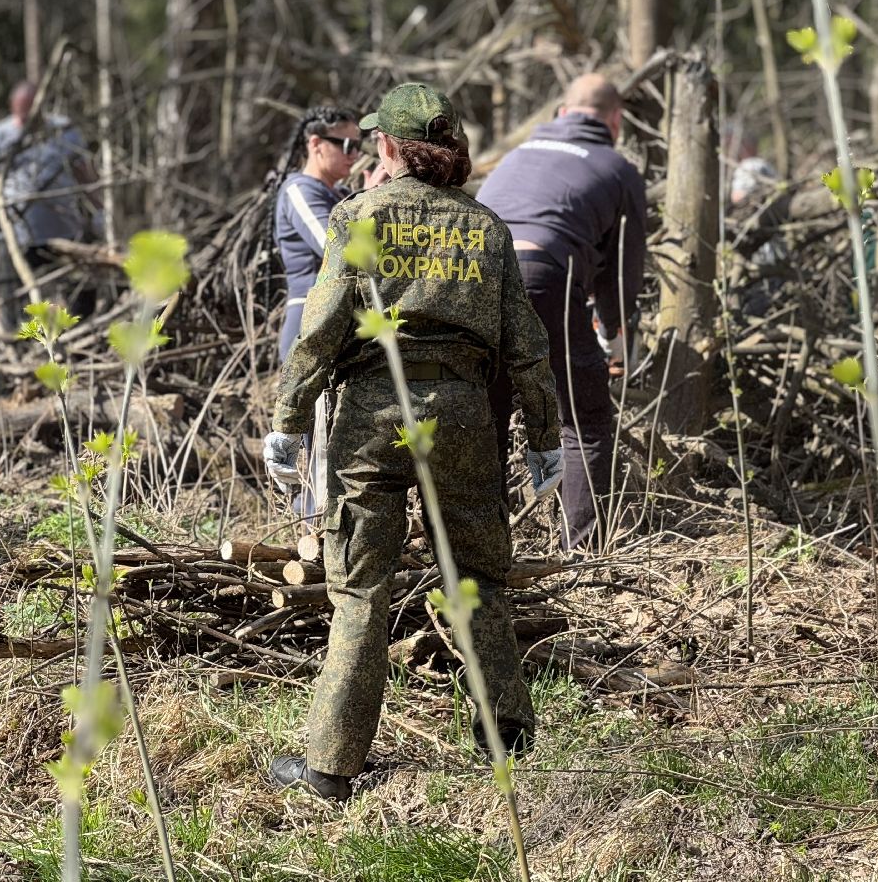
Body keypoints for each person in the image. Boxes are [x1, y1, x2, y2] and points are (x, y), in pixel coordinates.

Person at [261, 82, 562, 803]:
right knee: (477, 580)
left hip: (371, 414)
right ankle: (507, 744)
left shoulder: (358, 216)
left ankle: (331, 769)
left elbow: (322, 328)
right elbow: (527, 344)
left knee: (362, 589)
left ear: (389, 147)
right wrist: (545, 436)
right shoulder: (485, 226)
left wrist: (289, 418)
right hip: (461, 415)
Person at [477, 73, 646, 551]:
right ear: (615, 121)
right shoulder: (617, 168)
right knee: (583, 421)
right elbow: (622, 272)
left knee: (487, 413)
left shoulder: (517, 155)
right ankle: (585, 554)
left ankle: (480, 551)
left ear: (561, 113)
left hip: (474, 275)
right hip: (544, 274)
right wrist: (615, 340)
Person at [272, 106, 365, 520]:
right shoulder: (300, 189)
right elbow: (335, 247)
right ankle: (310, 530)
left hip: (336, 325)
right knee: (314, 436)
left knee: (333, 435)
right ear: (315, 144)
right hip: (307, 323)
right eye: (346, 145)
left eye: (359, 146)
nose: (354, 154)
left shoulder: (332, 194)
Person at [0, 81, 100, 320]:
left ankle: (80, 333)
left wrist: (100, 212)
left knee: (79, 292)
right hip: (18, 234)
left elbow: (84, 173)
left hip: (65, 229)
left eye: (32, 111)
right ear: (13, 108)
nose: (27, 119)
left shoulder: (64, 131)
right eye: (22, 113)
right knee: (17, 299)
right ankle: (17, 341)